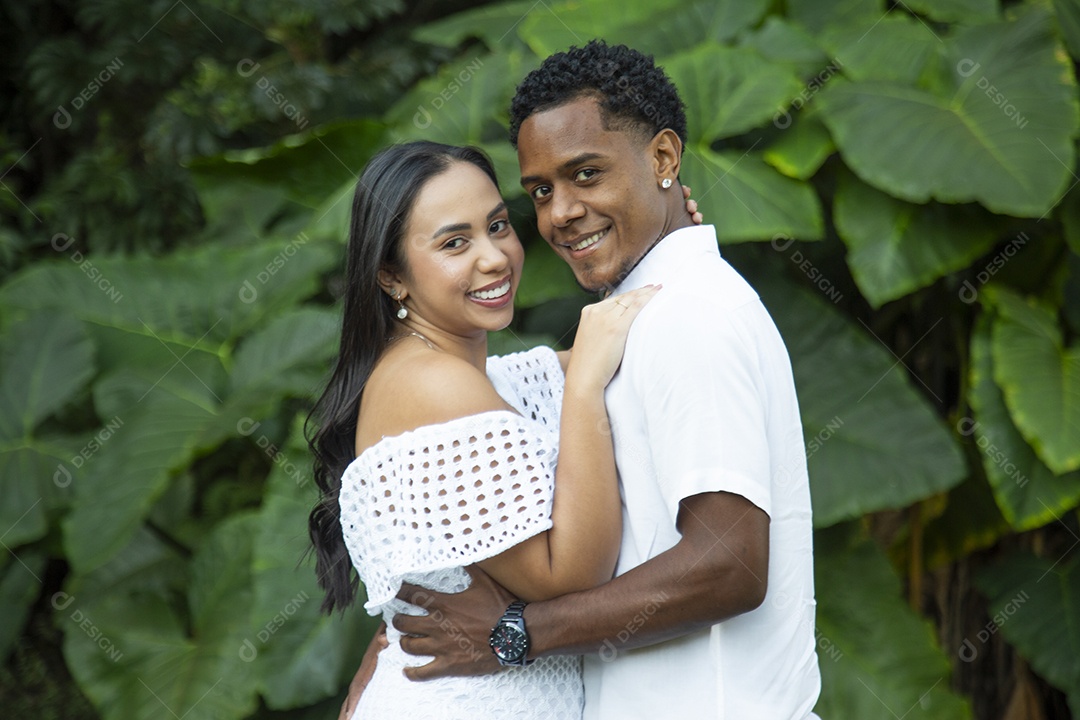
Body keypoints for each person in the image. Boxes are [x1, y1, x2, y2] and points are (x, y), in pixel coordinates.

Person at [343, 41, 823, 719]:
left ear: (663, 159)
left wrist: (513, 633)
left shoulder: (688, 317)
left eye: (587, 174)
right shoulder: (449, 381)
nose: (560, 212)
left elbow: (731, 565)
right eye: (541, 191)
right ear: (392, 276)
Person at [307, 140, 673, 718]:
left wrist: (664, 231)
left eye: (498, 226)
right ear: (392, 276)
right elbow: (569, 578)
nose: (495, 257)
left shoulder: (474, 380)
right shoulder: (432, 385)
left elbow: (610, 341)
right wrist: (584, 388)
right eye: (455, 243)